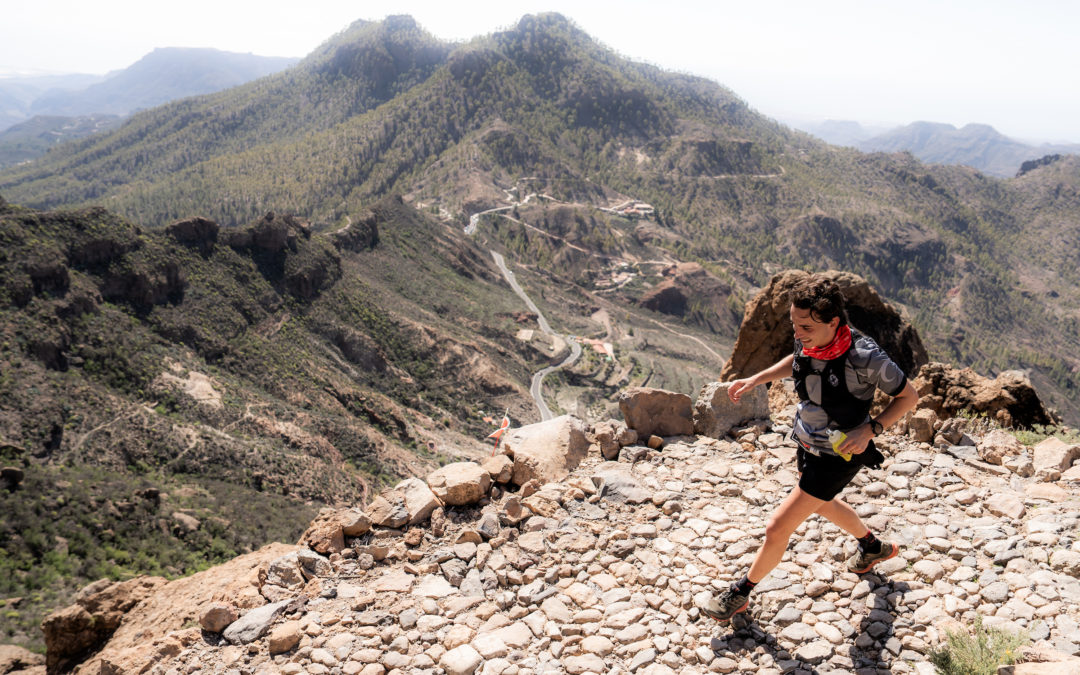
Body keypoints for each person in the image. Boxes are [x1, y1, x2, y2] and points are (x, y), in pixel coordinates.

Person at [700, 274, 919, 623]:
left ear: (833, 322)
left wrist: (870, 430)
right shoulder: (811, 339)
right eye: (794, 324)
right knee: (822, 503)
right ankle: (872, 547)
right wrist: (757, 379)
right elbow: (798, 358)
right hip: (807, 442)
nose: (798, 333)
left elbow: (910, 396)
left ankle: (740, 593)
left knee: (777, 528)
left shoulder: (865, 357)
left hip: (838, 455)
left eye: (805, 326)